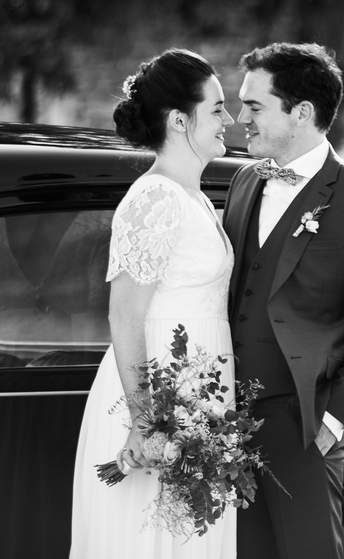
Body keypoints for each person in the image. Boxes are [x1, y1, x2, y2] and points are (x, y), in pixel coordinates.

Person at [223, 43, 344, 559]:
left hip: (304, 423)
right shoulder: (243, 181)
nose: (241, 118)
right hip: (228, 422)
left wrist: (335, 422)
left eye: (255, 106)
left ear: (301, 113)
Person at [70, 48, 237, 558]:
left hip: (201, 394)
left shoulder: (195, 197)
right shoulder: (155, 198)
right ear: (180, 121)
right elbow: (124, 315)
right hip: (159, 403)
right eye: (217, 108)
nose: (228, 119)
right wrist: (146, 424)